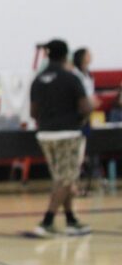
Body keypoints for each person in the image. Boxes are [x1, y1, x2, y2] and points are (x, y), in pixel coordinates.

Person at [29, 39, 93, 236]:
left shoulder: (38, 80)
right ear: (66, 55)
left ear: (47, 55)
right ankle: (46, 221)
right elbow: (85, 107)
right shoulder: (71, 78)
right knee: (66, 179)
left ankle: (71, 219)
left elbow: (33, 112)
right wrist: (85, 113)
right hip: (68, 134)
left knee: (61, 178)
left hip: (45, 135)